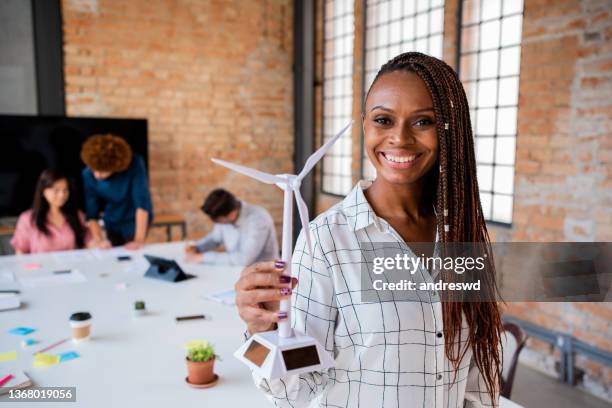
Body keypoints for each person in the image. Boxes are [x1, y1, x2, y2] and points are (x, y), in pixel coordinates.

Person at [234, 52, 503, 407]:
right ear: (365, 125)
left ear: (448, 130)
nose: (400, 138)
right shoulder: (325, 241)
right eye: (384, 120)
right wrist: (261, 332)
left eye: (423, 122)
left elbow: (477, 382)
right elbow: (291, 392)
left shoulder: (463, 235)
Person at [80, 134, 153, 249]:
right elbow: (91, 213)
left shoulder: (135, 164)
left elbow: (141, 204)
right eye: (94, 170)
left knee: (132, 252)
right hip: (112, 219)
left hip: (134, 218)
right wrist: (100, 241)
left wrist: (139, 240)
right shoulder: (88, 174)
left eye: (103, 171)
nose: (97, 175)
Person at [184, 188, 279, 266]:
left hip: (264, 274)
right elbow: (215, 238)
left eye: (218, 221)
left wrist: (203, 257)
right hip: (235, 271)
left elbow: (244, 259)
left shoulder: (258, 219)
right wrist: (198, 247)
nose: (217, 223)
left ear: (232, 214)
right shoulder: (226, 213)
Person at [11, 169, 90, 254]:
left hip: (72, 266)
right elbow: (21, 251)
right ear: (43, 191)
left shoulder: (77, 215)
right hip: (41, 267)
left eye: (65, 190)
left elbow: (88, 242)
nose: (62, 195)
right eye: (56, 190)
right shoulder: (27, 219)